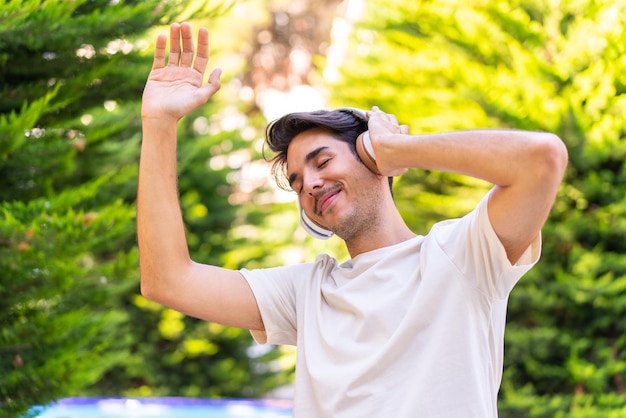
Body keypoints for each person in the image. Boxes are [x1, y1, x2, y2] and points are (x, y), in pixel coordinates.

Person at [138, 22, 568, 417]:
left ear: (371, 156)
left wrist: (400, 151)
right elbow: (167, 279)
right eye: (296, 180)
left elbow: (541, 161)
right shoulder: (307, 294)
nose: (309, 183)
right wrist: (159, 124)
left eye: (322, 161)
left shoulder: (463, 255)